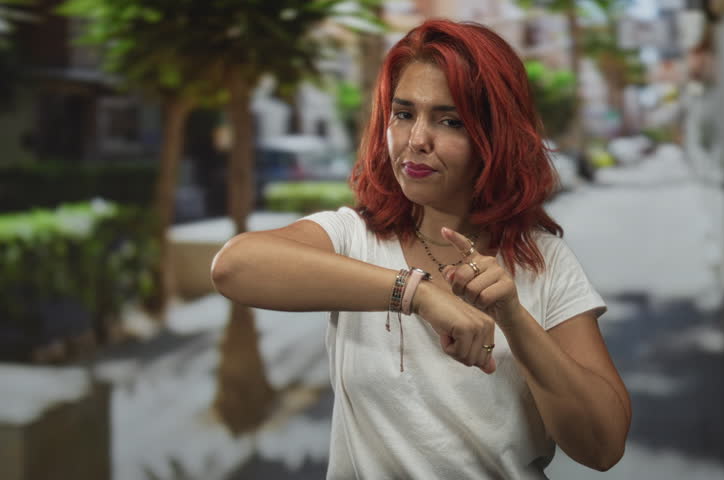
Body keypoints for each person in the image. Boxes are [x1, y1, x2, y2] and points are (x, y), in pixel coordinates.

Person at [211, 19, 631, 479]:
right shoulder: (355, 237)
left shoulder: (543, 261)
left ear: (494, 137)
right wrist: (417, 294)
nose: (416, 140)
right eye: (404, 113)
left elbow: (603, 446)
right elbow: (234, 267)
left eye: (448, 120)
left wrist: (513, 317)